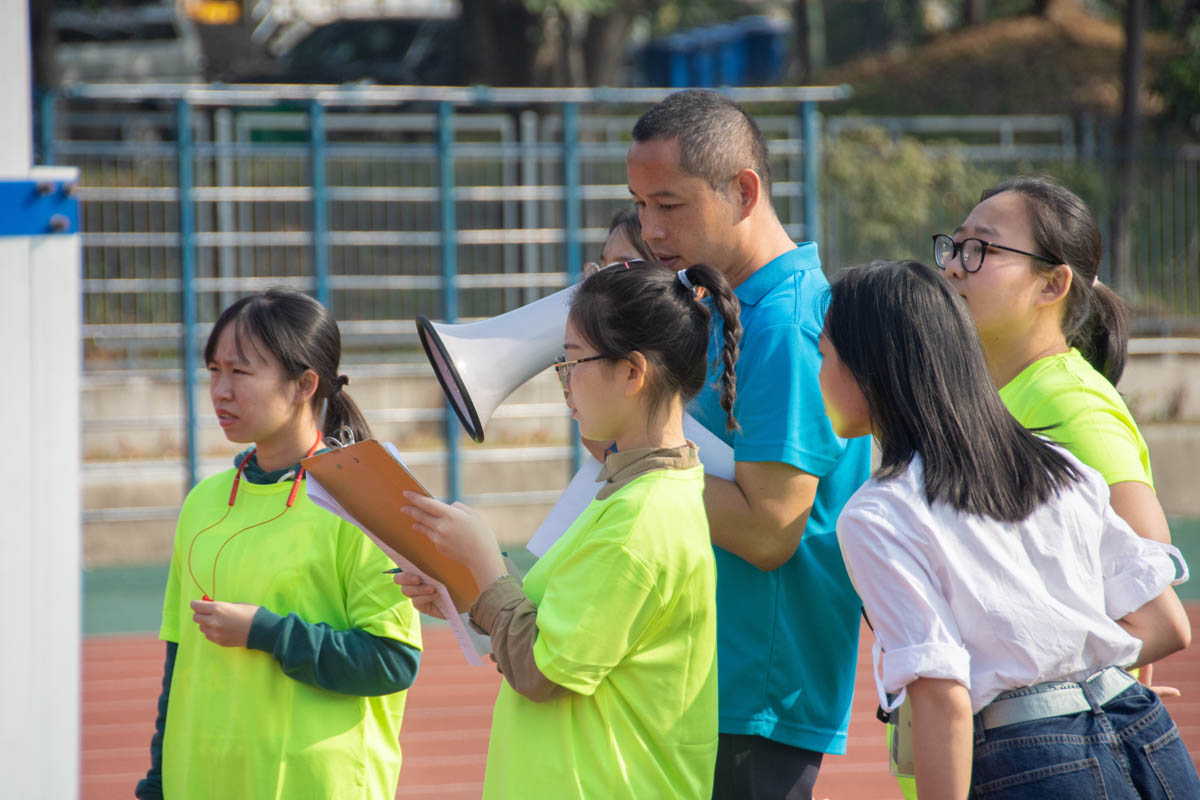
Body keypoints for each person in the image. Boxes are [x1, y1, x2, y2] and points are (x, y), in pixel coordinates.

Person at [824, 260, 1197, 800]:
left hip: (1032, 759)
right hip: (1143, 731)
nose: (816, 375)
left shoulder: (878, 514)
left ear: (869, 370)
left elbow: (943, 696)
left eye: (824, 356)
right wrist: (1083, 679)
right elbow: (1167, 624)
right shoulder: (1057, 464)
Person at [397, 262, 743, 798]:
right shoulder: (638, 496)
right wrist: (469, 593)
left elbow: (543, 670)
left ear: (632, 373)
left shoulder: (640, 520)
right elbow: (562, 631)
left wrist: (486, 566)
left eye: (573, 362)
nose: (565, 383)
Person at [627, 88, 870, 797]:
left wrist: (634, 454)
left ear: (744, 191)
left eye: (669, 204)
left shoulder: (784, 326)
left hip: (753, 694)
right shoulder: (728, 306)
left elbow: (770, 531)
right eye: (639, 205)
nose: (650, 228)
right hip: (716, 682)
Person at [135, 287, 423, 800]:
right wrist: (156, 784)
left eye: (240, 372)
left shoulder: (362, 502)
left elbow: (392, 660)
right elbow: (179, 663)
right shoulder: (202, 502)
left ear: (304, 385)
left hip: (314, 785)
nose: (220, 391)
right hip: (201, 782)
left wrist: (266, 632)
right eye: (213, 370)